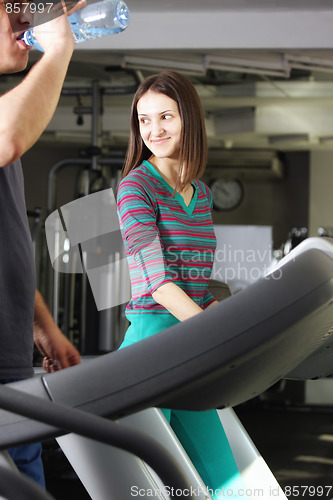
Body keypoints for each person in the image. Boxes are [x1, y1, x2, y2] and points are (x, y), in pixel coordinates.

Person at [117, 71, 246, 499]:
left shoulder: (201, 194)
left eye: (166, 117)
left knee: (227, 483)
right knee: (144, 488)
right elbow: (159, 282)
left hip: (189, 348)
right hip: (151, 349)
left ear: (188, 118)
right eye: (144, 120)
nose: (153, 130)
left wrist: (238, 328)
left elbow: (196, 285)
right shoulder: (135, 187)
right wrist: (215, 336)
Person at [0, 0, 85, 487]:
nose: (24, 19)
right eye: (9, 9)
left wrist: (42, 325)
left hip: (11, 366)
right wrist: (59, 49)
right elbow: (6, 137)